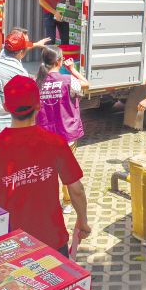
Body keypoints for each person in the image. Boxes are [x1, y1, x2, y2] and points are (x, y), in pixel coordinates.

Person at [0, 76, 90, 256]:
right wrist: (82, 220)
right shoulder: (55, 143)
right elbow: (76, 189)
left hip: (11, 242)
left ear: (5, 107)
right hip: (52, 239)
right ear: (38, 106)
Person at [36, 46, 90, 214]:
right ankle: (67, 202)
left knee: (48, 170)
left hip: (44, 135)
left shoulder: (37, 82)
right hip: (66, 135)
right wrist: (72, 69)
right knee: (66, 170)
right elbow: (86, 84)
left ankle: (47, 200)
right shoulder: (68, 80)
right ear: (59, 61)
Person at [0, 28, 49, 138]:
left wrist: (37, 44)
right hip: (8, 126)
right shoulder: (18, 72)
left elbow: (23, 48)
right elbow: (26, 103)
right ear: (21, 52)